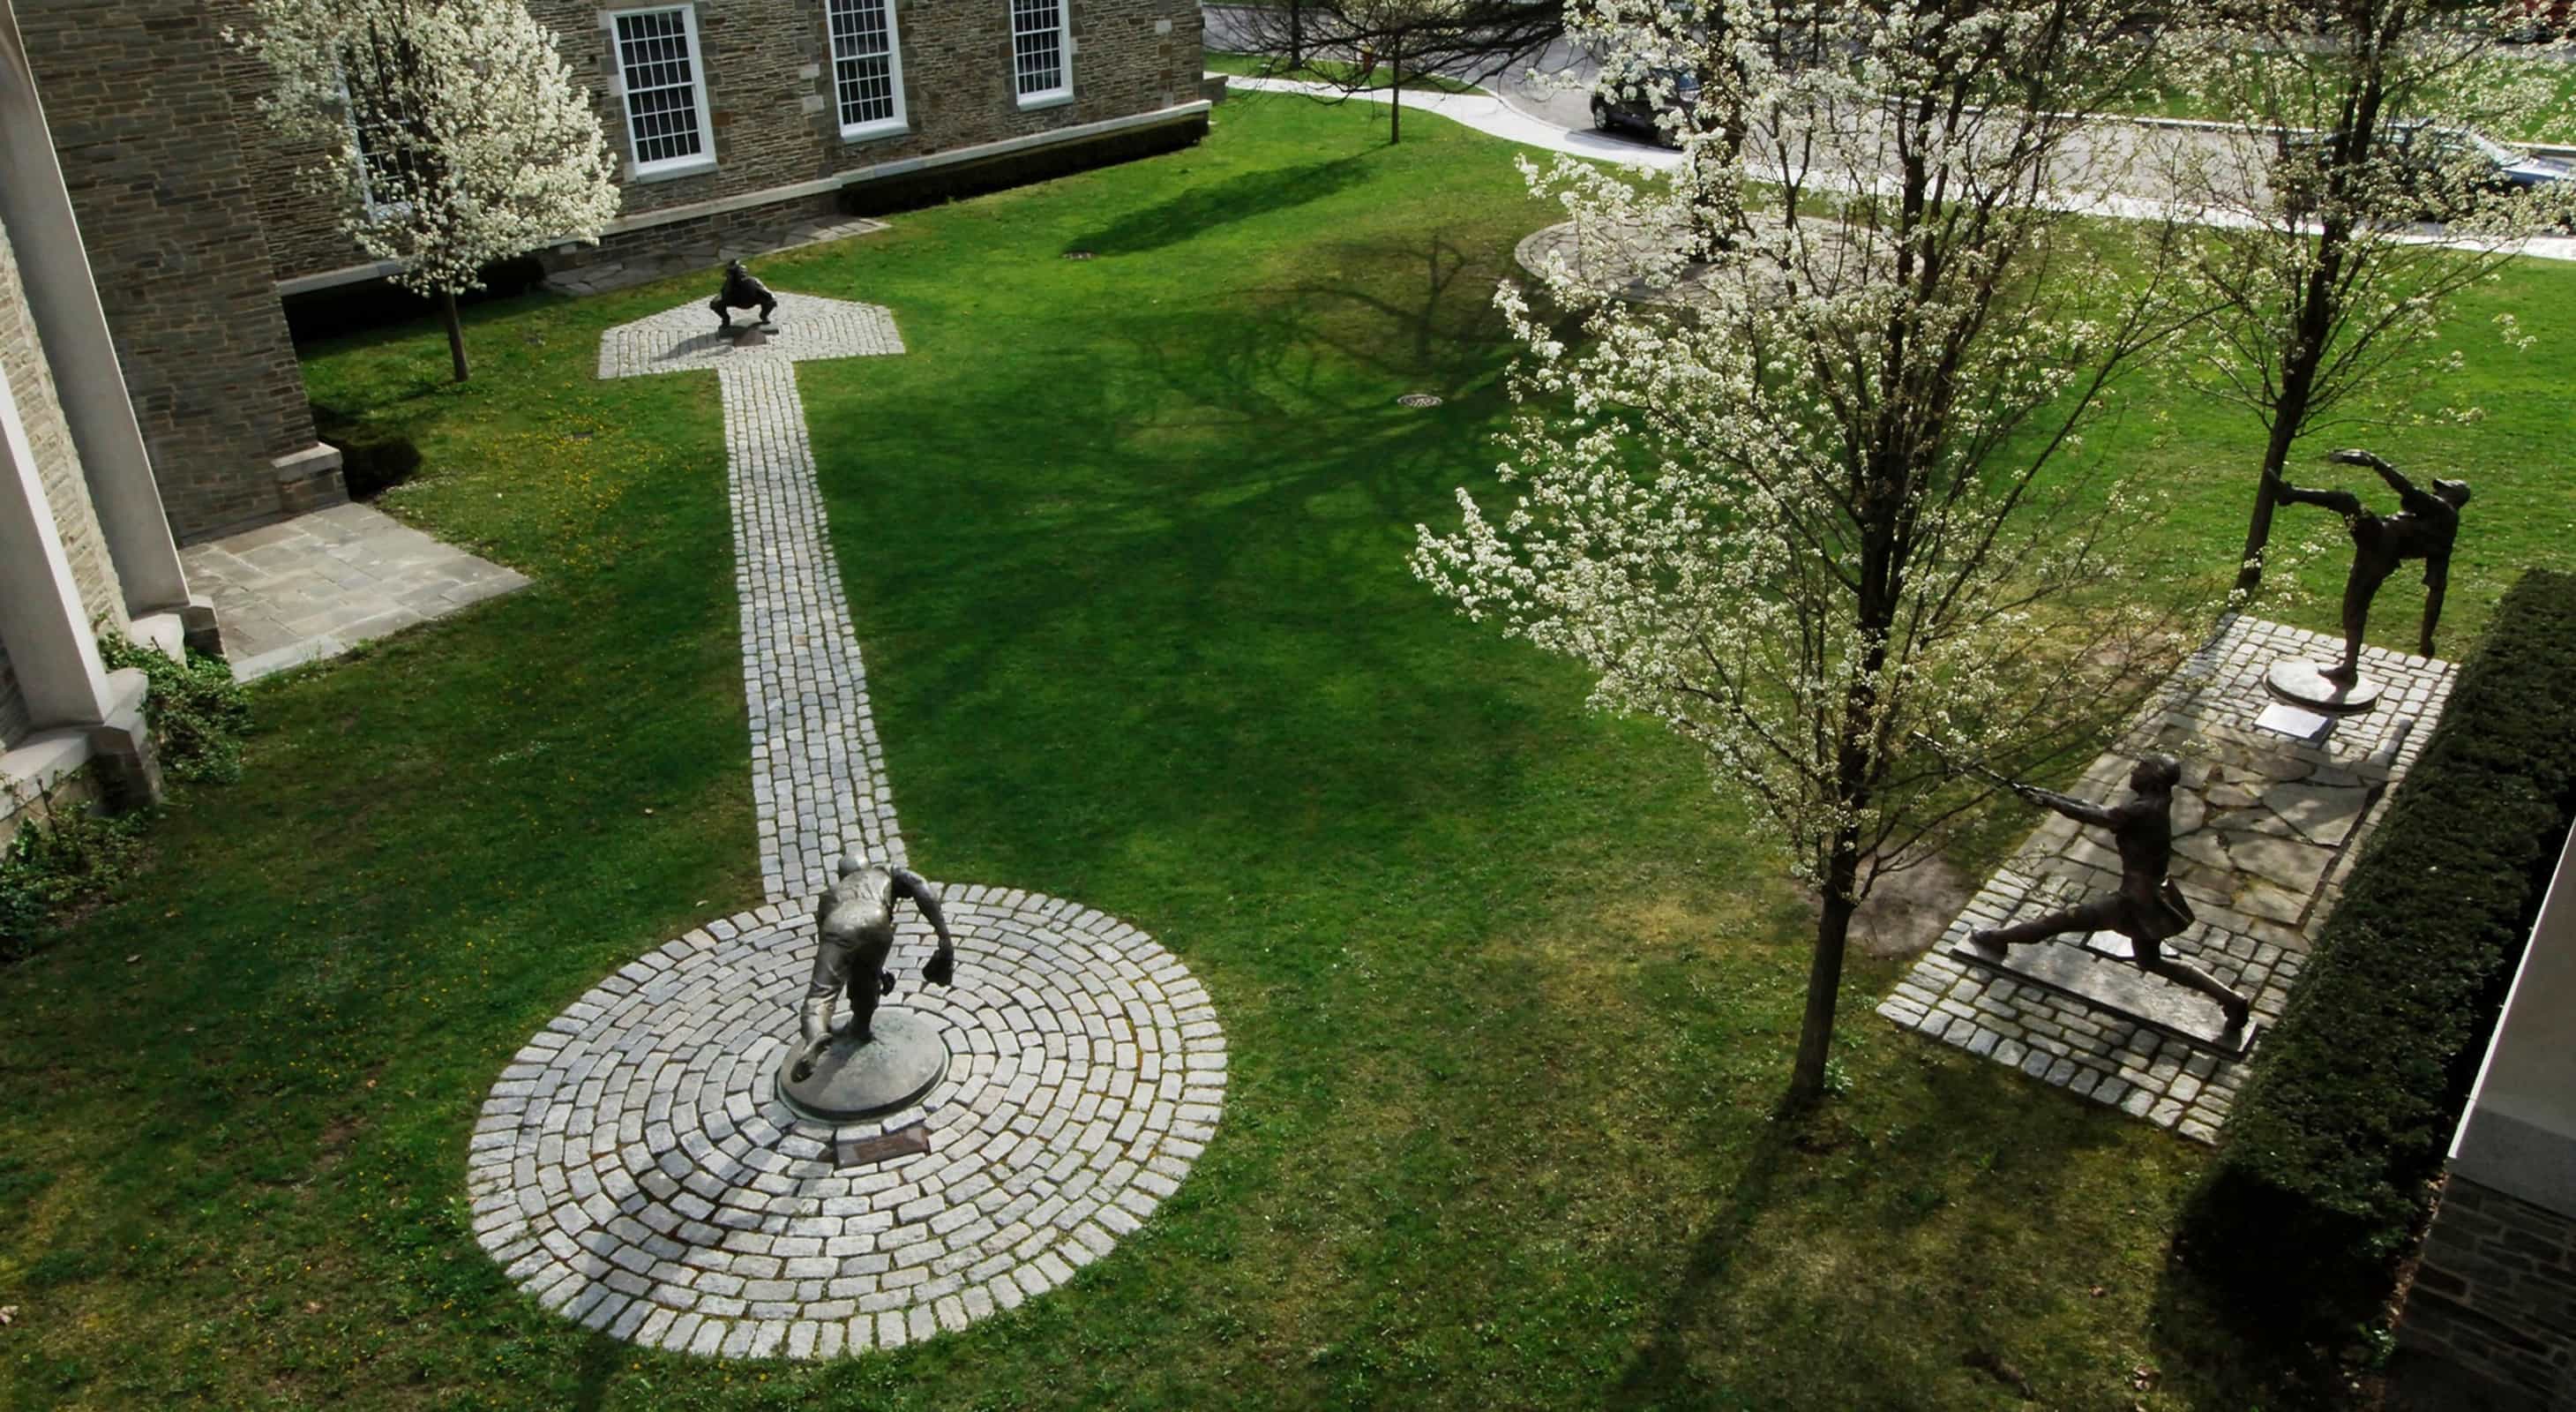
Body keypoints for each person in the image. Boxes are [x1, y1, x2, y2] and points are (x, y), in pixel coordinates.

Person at [1967, 755, 2250, 1033]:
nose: (2134, 771)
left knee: (2060, 921)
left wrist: (2051, 802)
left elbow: (2097, 816)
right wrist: (2048, 795)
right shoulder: (2155, 803)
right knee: (2150, 961)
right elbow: (2097, 809)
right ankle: (2233, 1000)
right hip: (2152, 894)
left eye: (2141, 767)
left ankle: (1998, 939)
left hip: (2133, 901)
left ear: (2153, 776)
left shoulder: (2143, 811)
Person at [2271, 447, 2471, 684]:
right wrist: (2426, 638)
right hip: (2379, 557)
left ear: (2451, 496)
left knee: (2346, 500)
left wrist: (2376, 462)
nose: (2434, 493)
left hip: (2379, 539)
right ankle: (2349, 668)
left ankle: (2289, 494)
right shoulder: (2446, 537)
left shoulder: (2442, 510)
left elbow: (2407, 489)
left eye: (2440, 490)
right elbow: (2437, 589)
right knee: (2355, 608)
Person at [789, 856, 955, 1083]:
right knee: (866, 980)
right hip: (878, 920)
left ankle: (815, 1038)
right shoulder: (884, 871)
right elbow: (920, 886)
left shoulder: (830, 895)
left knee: (820, 994)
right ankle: (859, 1027)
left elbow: (838, 956)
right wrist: (943, 936)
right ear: (866, 868)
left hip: (839, 923)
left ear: (841, 876)